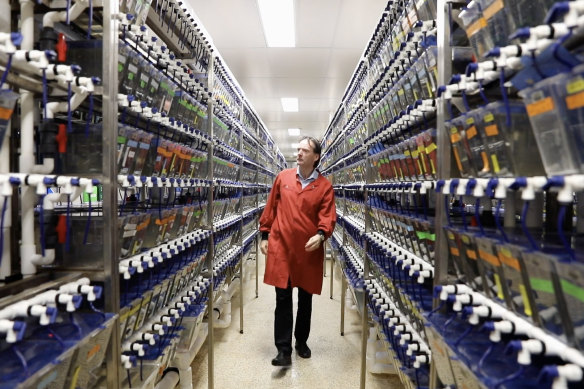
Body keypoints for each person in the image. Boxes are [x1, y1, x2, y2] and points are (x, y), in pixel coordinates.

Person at [259, 136, 336, 367]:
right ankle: (283, 350)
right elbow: (271, 206)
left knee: (305, 297)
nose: (299, 153)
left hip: (307, 249)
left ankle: (301, 342)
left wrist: (321, 235)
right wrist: (265, 234)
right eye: (298, 149)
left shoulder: (324, 186)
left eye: (304, 150)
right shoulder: (283, 178)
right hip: (282, 246)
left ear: (316, 157)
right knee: (282, 297)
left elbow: (328, 215)